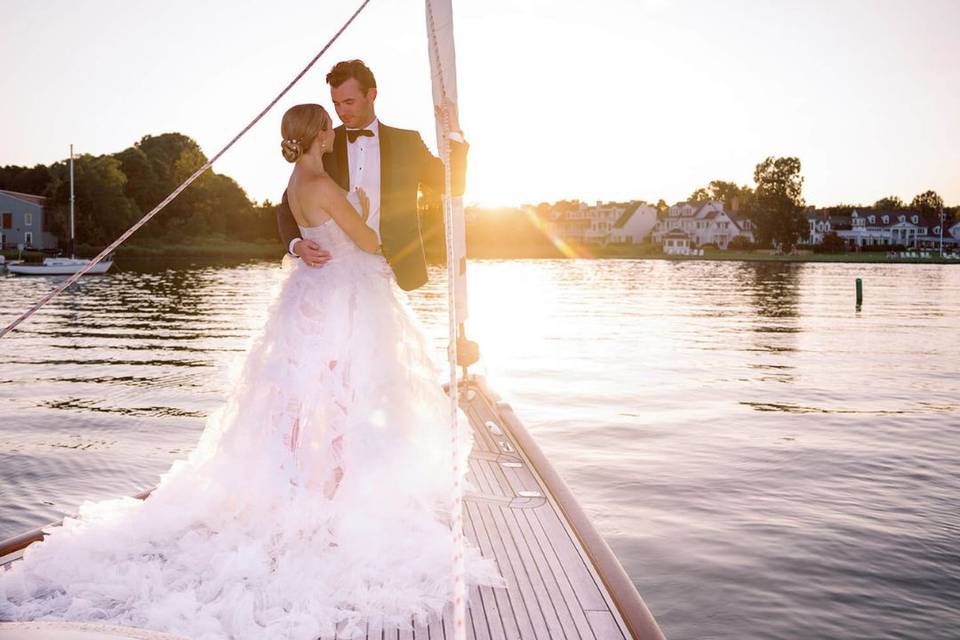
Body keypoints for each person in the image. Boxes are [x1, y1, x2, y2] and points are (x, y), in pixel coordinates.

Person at [0, 103, 503, 639]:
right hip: (342, 302)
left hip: (307, 299)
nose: (337, 125)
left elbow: (315, 217)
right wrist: (358, 205)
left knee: (298, 400)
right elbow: (370, 241)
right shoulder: (326, 185)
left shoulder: (296, 178)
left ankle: (298, 490)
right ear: (317, 136)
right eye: (329, 122)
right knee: (343, 397)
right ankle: (331, 497)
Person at [277, 59, 467, 291]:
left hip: (396, 271)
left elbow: (453, 185)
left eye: (349, 102)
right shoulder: (322, 141)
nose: (341, 112)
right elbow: (288, 205)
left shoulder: (407, 143)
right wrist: (296, 245)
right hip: (332, 274)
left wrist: (454, 131)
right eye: (335, 104)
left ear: (371, 95)